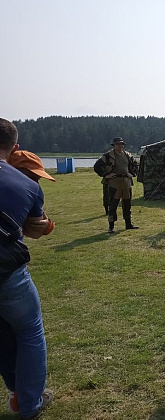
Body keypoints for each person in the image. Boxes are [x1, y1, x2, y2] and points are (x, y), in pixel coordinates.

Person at [0, 118, 54, 419]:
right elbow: (36, 228)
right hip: (7, 272)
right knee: (29, 331)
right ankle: (29, 403)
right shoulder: (27, 186)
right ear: (15, 147)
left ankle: (16, 392)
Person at [93, 137, 139, 233]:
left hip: (126, 181)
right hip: (114, 182)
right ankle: (111, 226)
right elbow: (97, 166)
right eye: (118, 144)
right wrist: (106, 175)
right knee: (113, 205)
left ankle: (128, 224)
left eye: (121, 144)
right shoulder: (108, 156)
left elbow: (135, 166)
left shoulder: (128, 155)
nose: (120, 146)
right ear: (114, 145)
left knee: (127, 204)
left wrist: (132, 174)